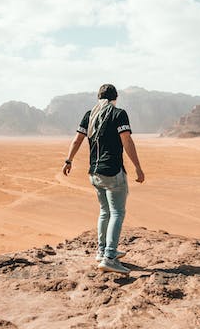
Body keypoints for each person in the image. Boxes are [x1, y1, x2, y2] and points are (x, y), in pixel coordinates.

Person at [62, 84, 145, 275]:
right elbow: (127, 141)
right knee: (117, 213)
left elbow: (77, 140)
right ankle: (109, 257)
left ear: (98, 97)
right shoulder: (119, 113)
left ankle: (102, 251)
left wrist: (69, 160)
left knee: (104, 211)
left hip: (95, 173)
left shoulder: (90, 115)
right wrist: (138, 167)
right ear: (115, 98)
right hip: (113, 171)